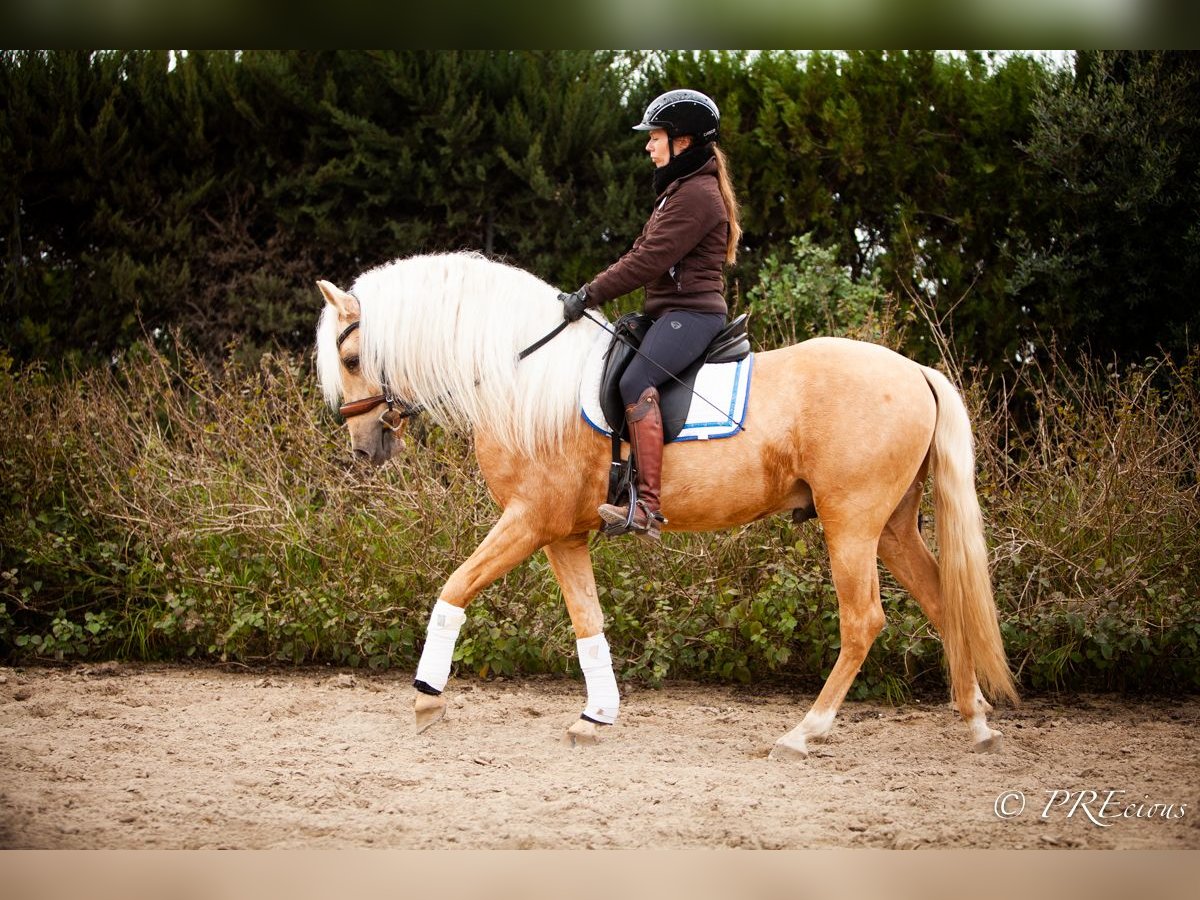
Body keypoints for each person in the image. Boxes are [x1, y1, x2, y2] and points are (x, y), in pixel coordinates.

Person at [560, 88, 742, 541]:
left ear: (682, 140)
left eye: (655, 136)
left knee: (634, 382)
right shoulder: (679, 191)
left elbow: (648, 261)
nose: (648, 145)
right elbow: (642, 251)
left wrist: (588, 293)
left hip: (693, 315)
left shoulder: (697, 195)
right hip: (669, 312)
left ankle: (647, 506)